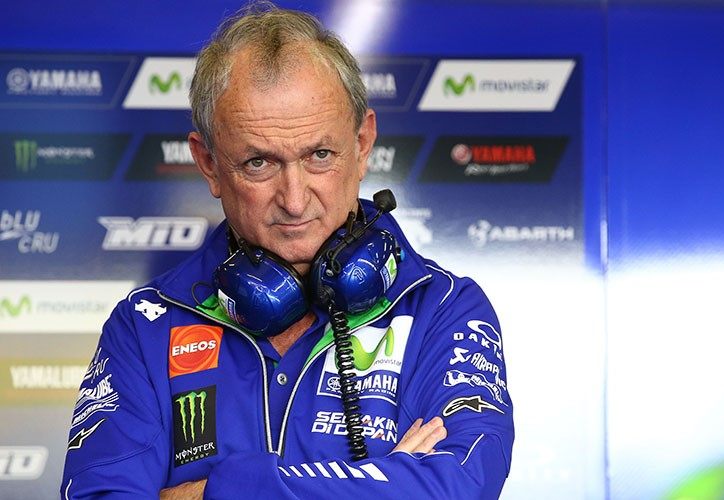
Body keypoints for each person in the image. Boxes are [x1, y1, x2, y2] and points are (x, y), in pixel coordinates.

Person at [61, 4, 514, 499]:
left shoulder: (444, 308)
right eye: (259, 163)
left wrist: (213, 491)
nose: (295, 200)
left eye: (319, 155)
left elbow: (455, 486)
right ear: (209, 164)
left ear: (362, 145)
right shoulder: (144, 326)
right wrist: (385, 480)